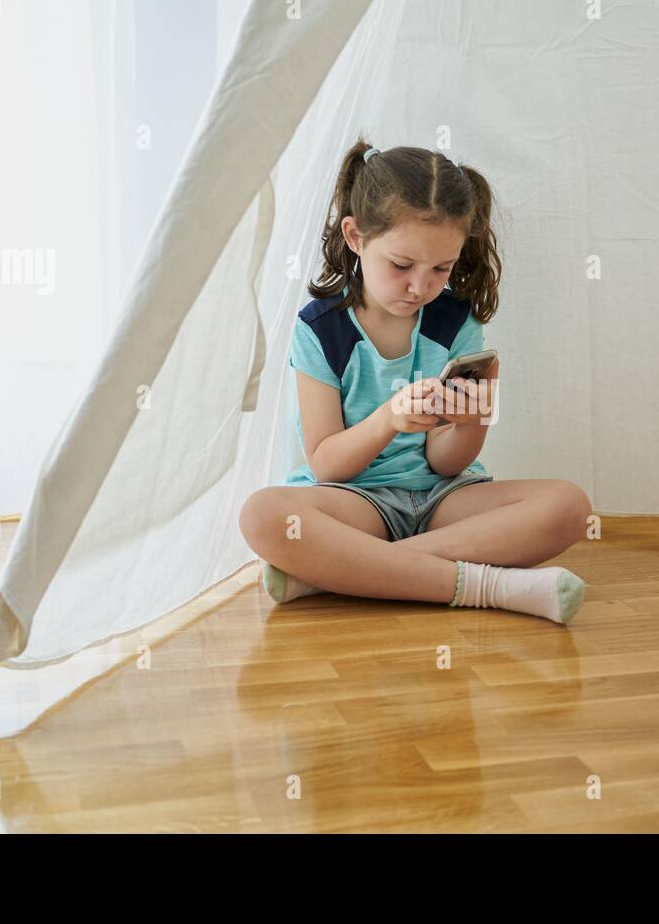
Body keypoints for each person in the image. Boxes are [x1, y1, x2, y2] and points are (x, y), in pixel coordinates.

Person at [238, 139, 591, 623]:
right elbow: (326, 466)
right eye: (402, 266)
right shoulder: (320, 329)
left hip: (442, 500)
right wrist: (390, 418)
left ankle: (351, 572)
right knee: (264, 515)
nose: (421, 287)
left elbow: (446, 462)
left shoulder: (455, 324)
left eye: (440, 269)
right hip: (355, 503)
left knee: (569, 506)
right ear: (356, 236)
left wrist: (471, 422)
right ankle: (491, 585)